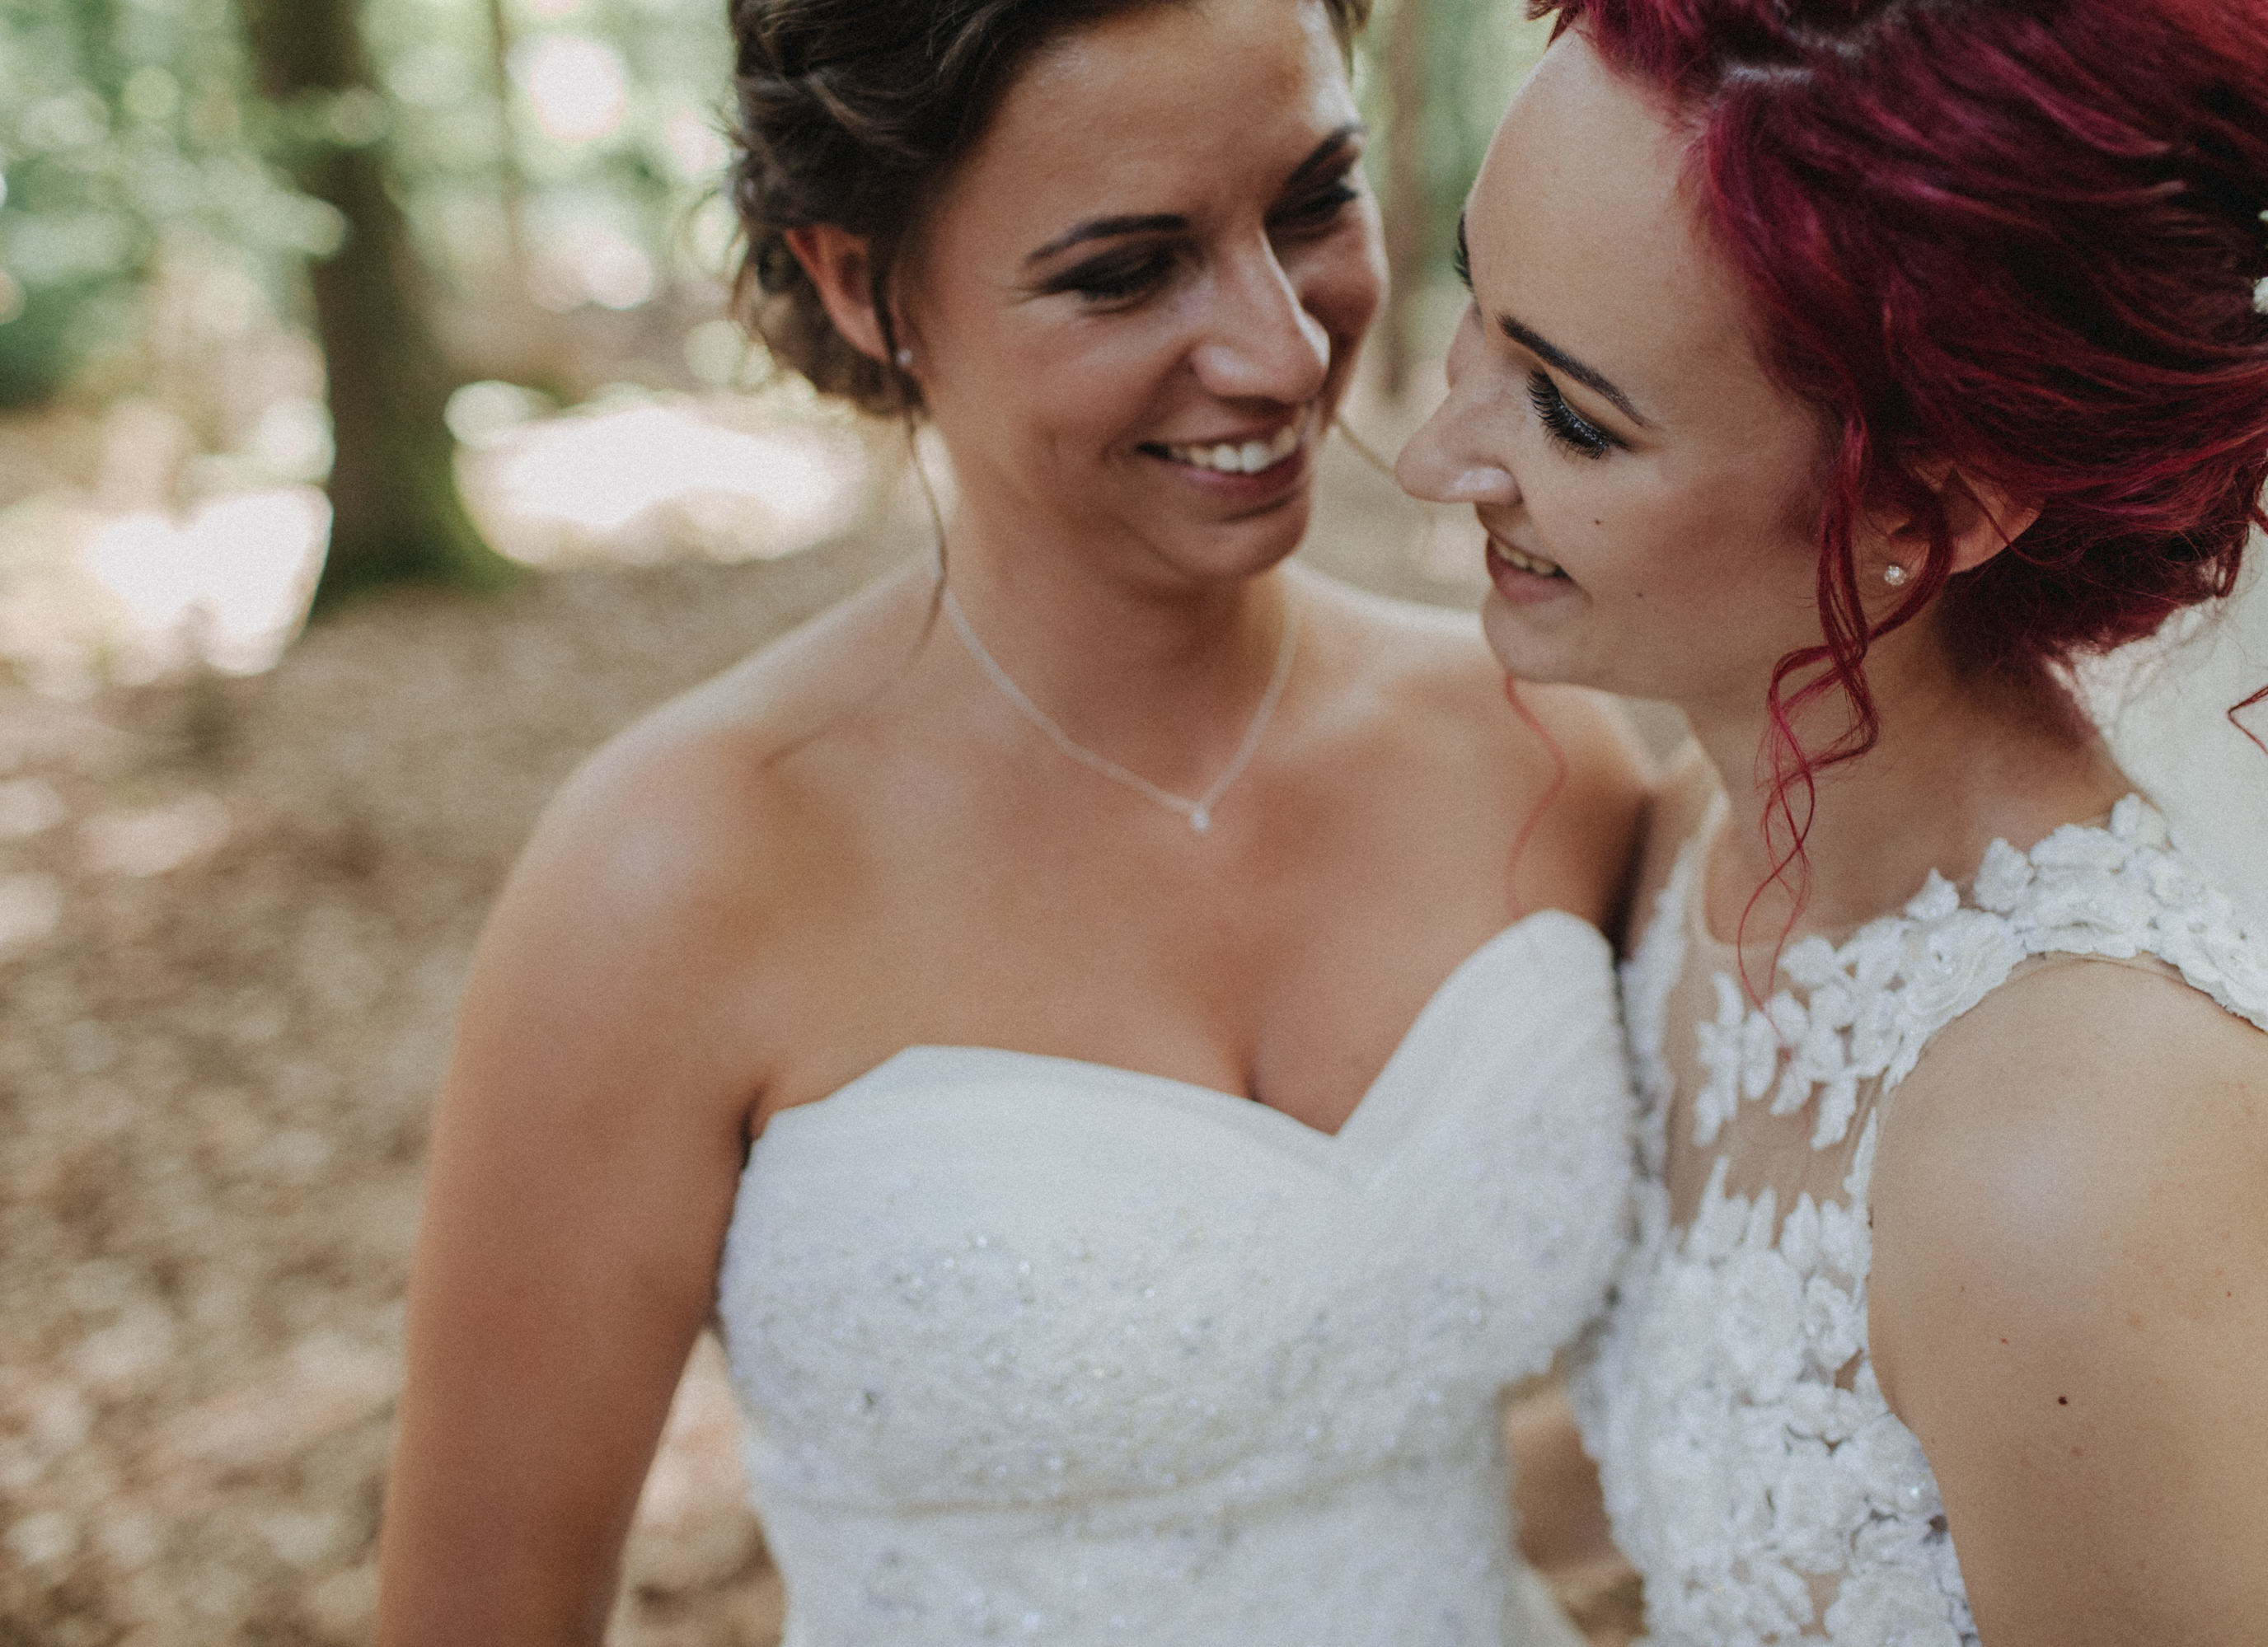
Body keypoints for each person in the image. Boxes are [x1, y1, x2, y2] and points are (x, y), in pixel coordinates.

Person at [369, 0, 1654, 1641]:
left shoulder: (1538, 742)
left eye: (1315, 199)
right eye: (1125, 271)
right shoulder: (670, 872)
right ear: (859, 281)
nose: (1281, 348)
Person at [1400, 1, 2268, 1643]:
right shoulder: (1713, 836)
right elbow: (1705, 1445)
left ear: (1932, 507)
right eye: (1482, 306)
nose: (1433, 449)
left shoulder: (2092, 1159)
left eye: (1573, 416)